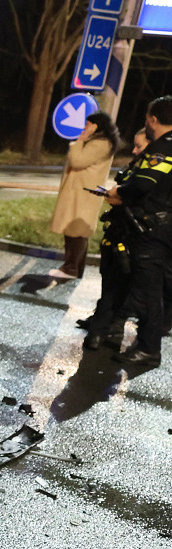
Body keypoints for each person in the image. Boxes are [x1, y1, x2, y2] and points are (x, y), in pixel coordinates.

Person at [105, 95, 172, 367]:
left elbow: (143, 183)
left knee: (149, 291)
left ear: (153, 119)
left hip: (153, 230)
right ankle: (154, 337)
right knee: (162, 287)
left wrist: (118, 192)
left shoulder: (163, 147)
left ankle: (148, 348)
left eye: (147, 118)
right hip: (166, 227)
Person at [82, 128, 147, 350]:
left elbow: (137, 198)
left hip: (132, 236)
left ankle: (105, 330)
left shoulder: (152, 173)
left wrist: (119, 197)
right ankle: (103, 325)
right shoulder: (137, 167)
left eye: (139, 146)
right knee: (110, 281)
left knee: (119, 285)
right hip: (117, 231)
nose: (134, 150)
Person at [48, 112, 120, 280]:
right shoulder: (100, 143)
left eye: (88, 124)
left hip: (82, 194)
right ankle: (74, 268)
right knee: (76, 230)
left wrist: (80, 140)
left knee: (76, 231)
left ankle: (70, 268)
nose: (84, 127)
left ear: (96, 126)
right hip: (80, 193)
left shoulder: (100, 144)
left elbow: (77, 161)